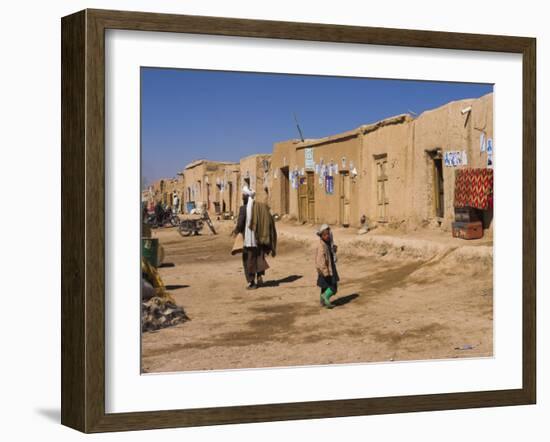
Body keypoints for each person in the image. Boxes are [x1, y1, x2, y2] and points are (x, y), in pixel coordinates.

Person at [233, 186, 269, 289]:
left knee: (248, 260)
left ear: (246, 197)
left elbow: (240, 224)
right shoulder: (259, 207)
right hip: (259, 238)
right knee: (259, 258)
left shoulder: (243, 209)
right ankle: (260, 276)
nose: (242, 197)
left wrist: (236, 231)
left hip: (249, 240)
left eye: (243, 195)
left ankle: (252, 282)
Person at [315, 224, 340, 308]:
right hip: (326, 270)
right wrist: (325, 271)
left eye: (328, 234)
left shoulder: (328, 243)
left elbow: (330, 254)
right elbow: (320, 261)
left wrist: (334, 250)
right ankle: (325, 297)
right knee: (333, 287)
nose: (327, 236)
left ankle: (322, 301)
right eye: (325, 235)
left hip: (328, 267)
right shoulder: (321, 246)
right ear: (321, 236)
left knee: (324, 286)